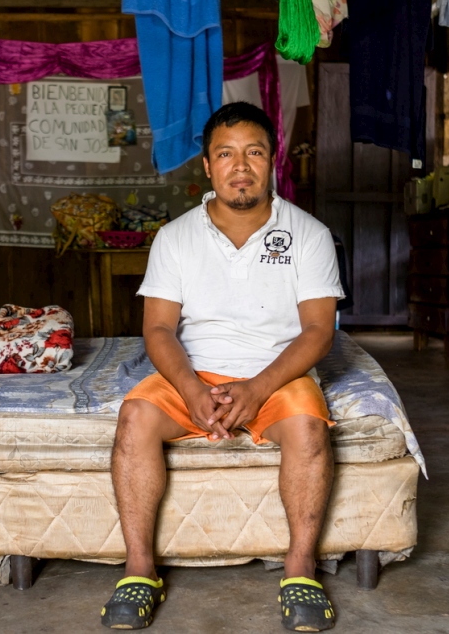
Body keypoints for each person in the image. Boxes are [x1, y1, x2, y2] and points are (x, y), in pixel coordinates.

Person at [100, 102, 344, 632]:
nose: (241, 166)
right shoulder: (175, 237)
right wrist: (189, 390)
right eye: (225, 154)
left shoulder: (309, 234)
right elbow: (159, 329)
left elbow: (319, 332)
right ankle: (140, 568)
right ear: (207, 166)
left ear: (271, 160)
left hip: (278, 375)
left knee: (308, 427)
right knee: (134, 419)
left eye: (253, 152)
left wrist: (258, 388)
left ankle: (300, 567)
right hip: (195, 374)